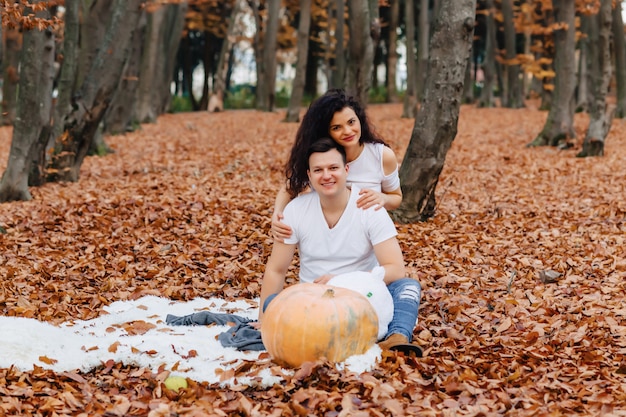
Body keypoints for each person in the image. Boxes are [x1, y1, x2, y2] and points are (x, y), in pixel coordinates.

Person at [259, 138, 422, 354]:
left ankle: (396, 337)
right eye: (318, 170)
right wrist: (263, 320)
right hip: (314, 304)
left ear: (346, 170)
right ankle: (334, 337)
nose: (326, 175)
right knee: (271, 302)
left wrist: (342, 282)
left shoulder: (369, 207)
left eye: (333, 168)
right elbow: (276, 270)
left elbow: (395, 268)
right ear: (309, 175)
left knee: (407, 287)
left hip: (362, 297)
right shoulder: (295, 210)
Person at [272, 89, 403, 241]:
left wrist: (383, 198)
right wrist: (277, 213)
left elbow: (396, 197)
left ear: (359, 119)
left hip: (367, 241)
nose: (348, 131)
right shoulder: (319, 157)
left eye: (351, 122)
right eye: (336, 127)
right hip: (324, 238)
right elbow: (291, 187)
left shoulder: (382, 156)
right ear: (325, 131)